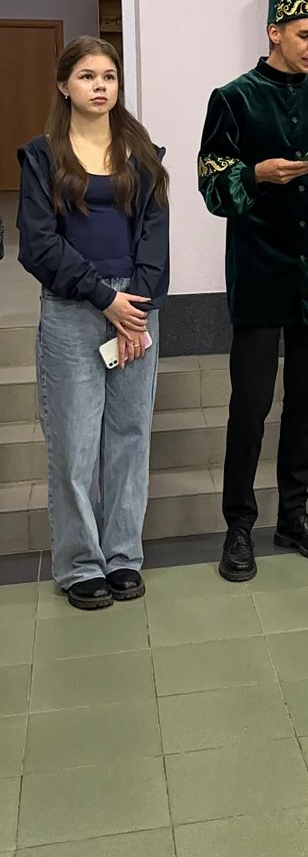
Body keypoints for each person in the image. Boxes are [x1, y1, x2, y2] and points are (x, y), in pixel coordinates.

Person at [198, 0, 308, 581]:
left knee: (305, 405)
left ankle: (294, 515)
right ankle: (238, 526)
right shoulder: (234, 99)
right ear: (274, 32)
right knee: (249, 407)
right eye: (305, 36)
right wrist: (256, 173)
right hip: (257, 272)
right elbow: (212, 187)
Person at [17, 36, 169, 610]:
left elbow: (155, 234)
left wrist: (137, 306)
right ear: (64, 86)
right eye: (87, 76)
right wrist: (104, 297)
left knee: (129, 437)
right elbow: (38, 244)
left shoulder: (142, 152)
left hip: (136, 310)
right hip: (74, 309)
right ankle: (81, 563)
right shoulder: (42, 156)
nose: (100, 86)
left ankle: (123, 555)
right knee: (75, 443)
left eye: (109, 76)